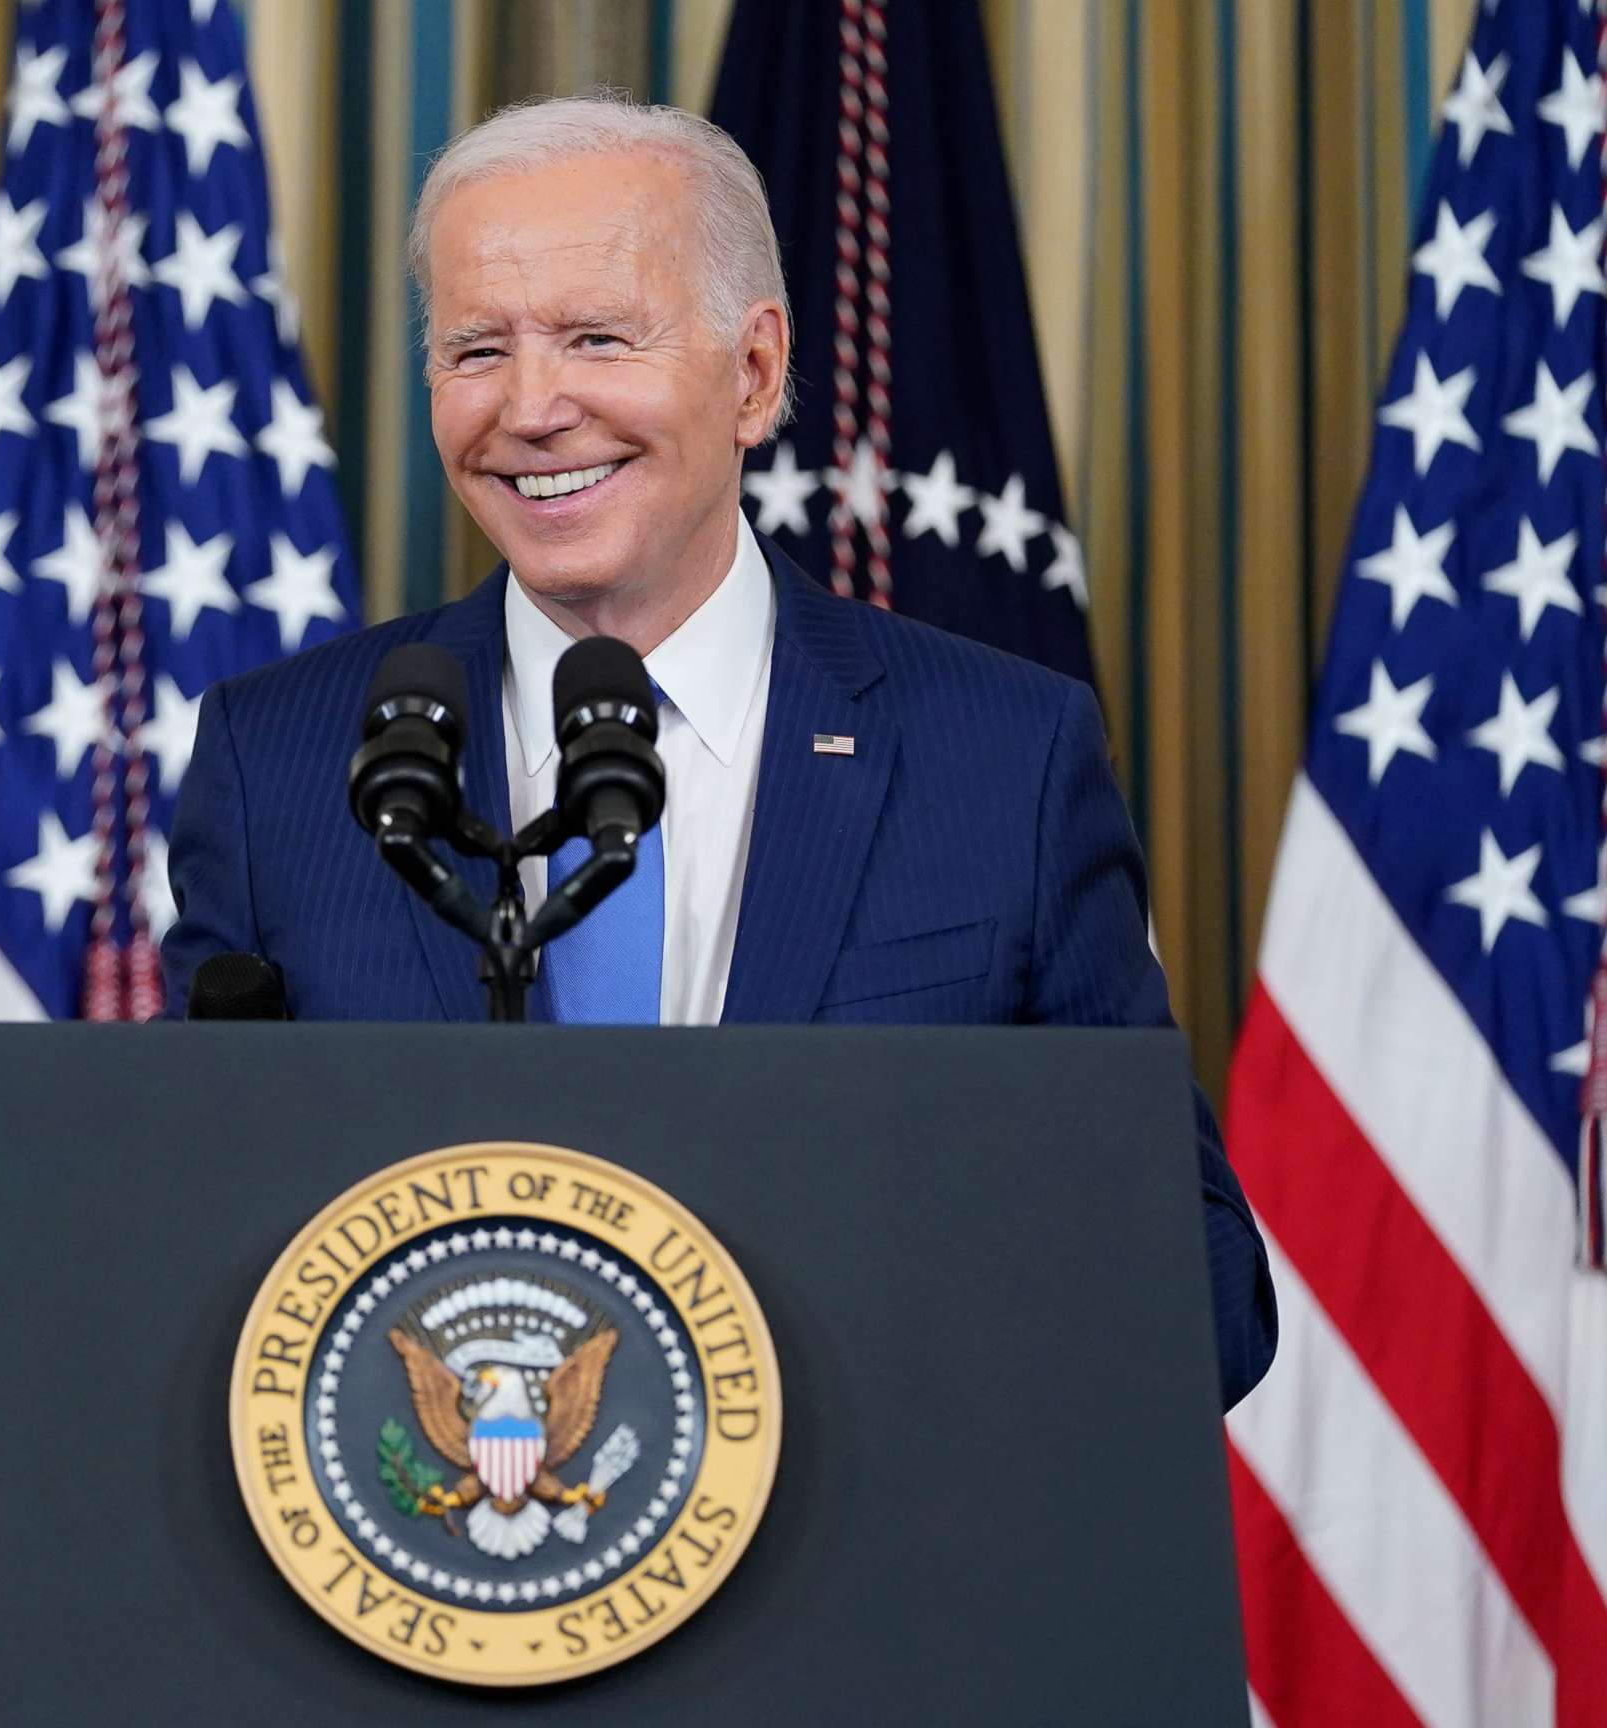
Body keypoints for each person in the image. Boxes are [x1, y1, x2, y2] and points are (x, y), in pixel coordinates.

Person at [162, 95, 1275, 1408]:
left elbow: (1200, 1298)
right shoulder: (284, 760)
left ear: (752, 374)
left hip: (868, 1576)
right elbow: (191, 1267)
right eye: (476, 349)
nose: (529, 408)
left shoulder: (1002, 757)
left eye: (594, 338)